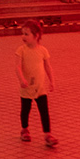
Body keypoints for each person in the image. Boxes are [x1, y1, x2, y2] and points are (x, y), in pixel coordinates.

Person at [15, 19, 58, 147]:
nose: (23, 36)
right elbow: (17, 67)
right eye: (22, 33)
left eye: (26, 34)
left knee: (44, 111)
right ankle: (24, 129)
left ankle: (47, 134)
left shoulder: (43, 50)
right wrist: (21, 79)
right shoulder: (21, 50)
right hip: (26, 87)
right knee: (25, 110)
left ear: (36, 36)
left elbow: (48, 67)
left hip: (40, 88)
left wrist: (52, 81)